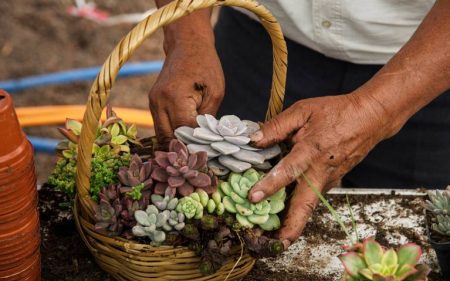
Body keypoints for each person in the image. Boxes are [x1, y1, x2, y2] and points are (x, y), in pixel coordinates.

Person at [149, 0, 450, 249]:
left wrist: (377, 108)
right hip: (258, 40)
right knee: (228, 241)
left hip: (426, 64)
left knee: (410, 246)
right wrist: (187, 36)